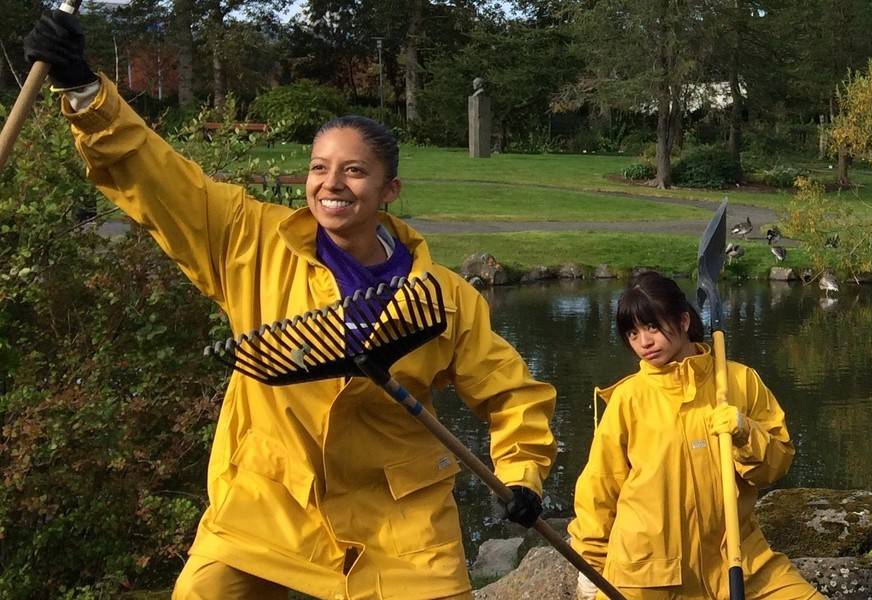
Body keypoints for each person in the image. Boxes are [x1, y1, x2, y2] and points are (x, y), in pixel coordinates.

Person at [25, 11, 555, 599]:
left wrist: (521, 474)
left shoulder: (445, 297)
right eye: (319, 168)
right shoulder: (250, 240)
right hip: (267, 502)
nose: (332, 184)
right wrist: (83, 89)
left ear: (389, 190)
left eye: (355, 171)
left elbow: (511, 395)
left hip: (400, 524)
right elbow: (157, 178)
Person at [569, 273, 821, 600]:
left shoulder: (738, 382)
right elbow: (601, 485)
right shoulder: (628, 398)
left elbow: (776, 466)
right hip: (649, 575)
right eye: (632, 333)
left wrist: (745, 433)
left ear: (684, 320)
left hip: (741, 564)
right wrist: (590, 563)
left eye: (652, 327)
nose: (643, 342)